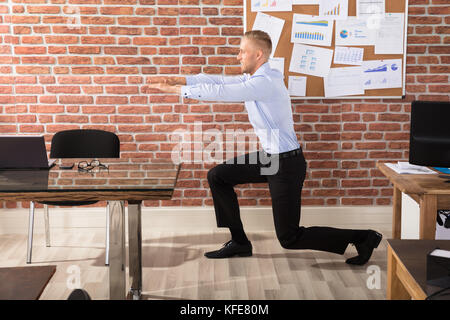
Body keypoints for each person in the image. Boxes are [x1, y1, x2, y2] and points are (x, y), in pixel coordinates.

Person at [146, 30, 382, 265]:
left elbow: (221, 92)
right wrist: (181, 80)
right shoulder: (254, 79)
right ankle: (239, 242)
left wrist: (175, 91)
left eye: (242, 51)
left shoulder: (264, 83)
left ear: (258, 54)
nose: (238, 56)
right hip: (271, 159)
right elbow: (218, 80)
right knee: (218, 176)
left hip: (286, 164)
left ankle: (363, 238)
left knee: (290, 237)